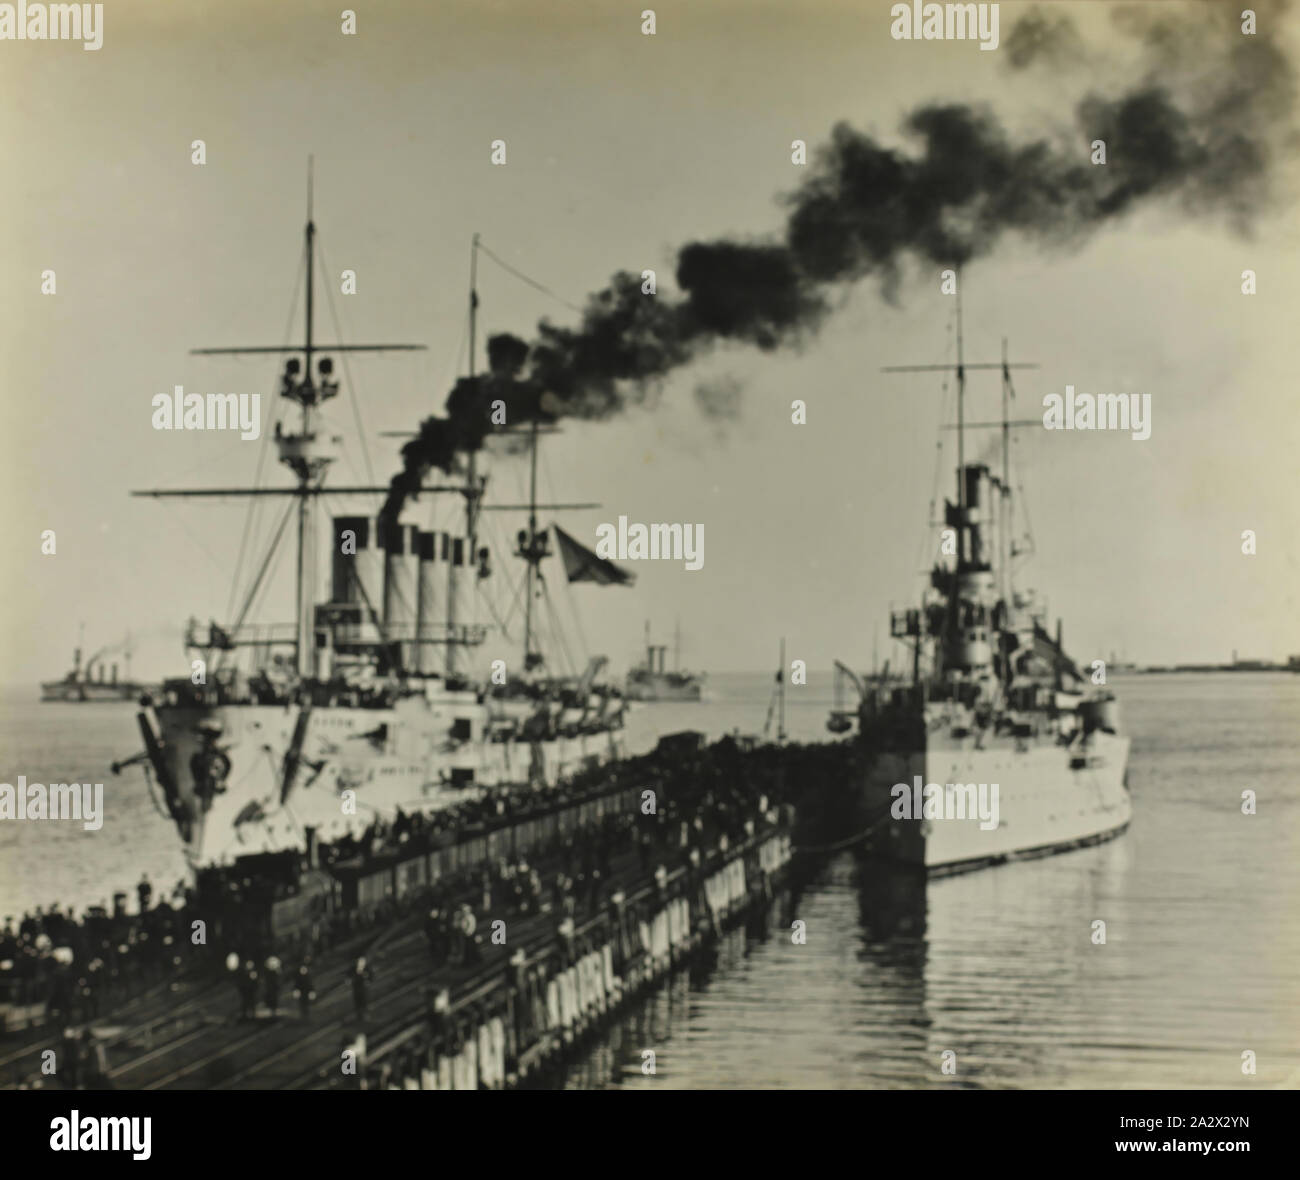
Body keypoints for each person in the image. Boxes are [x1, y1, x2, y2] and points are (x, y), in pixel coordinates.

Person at [352, 957, 371, 1022]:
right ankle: (358, 1016)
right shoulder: (354, 969)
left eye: (362, 962)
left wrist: (368, 981)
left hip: (364, 989)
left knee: (364, 1002)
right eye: (359, 962)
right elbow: (349, 976)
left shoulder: (367, 969)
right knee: (357, 1002)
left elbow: (372, 977)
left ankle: (365, 1015)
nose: (360, 964)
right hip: (356, 989)